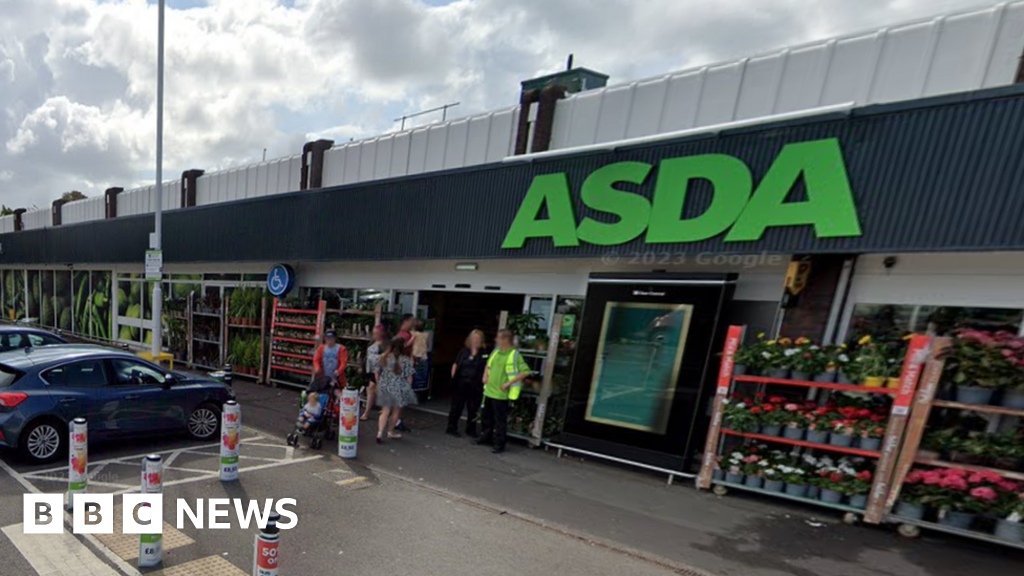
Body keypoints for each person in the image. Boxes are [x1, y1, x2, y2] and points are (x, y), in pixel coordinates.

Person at [478, 329, 530, 454]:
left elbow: (525, 371)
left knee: (499, 420)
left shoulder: (514, 355)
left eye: (498, 338)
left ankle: (499, 444)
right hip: (489, 390)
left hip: (501, 394)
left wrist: (508, 383)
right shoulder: (496, 352)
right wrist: (485, 375)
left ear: (505, 340)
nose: (496, 340)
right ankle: (486, 438)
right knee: (486, 417)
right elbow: (488, 364)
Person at [374, 336, 417, 443]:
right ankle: (390, 431)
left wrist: (379, 382)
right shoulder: (405, 360)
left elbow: (376, 370)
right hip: (398, 388)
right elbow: (409, 377)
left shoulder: (384, 357)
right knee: (396, 412)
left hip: (385, 386)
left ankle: (379, 433)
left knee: (385, 411)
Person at [447, 329, 488, 438]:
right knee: (457, 406)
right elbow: (455, 364)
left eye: (478, 339)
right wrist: (453, 377)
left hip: (476, 385)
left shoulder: (484, 353)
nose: (475, 341)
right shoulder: (464, 351)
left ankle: (471, 429)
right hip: (461, 382)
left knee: (473, 408)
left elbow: (487, 368)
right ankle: (451, 427)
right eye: (473, 338)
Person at [392, 314, 417, 432]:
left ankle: (396, 420)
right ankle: (395, 422)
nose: (413, 323)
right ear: (406, 321)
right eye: (412, 321)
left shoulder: (402, 334)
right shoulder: (405, 336)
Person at [361, 324, 388, 421]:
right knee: (372, 390)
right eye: (374, 333)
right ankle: (369, 411)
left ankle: (373, 411)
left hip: (380, 370)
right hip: (371, 369)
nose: (375, 335)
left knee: (376, 390)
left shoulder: (385, 345)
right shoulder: (372, 342)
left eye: (377, 333)